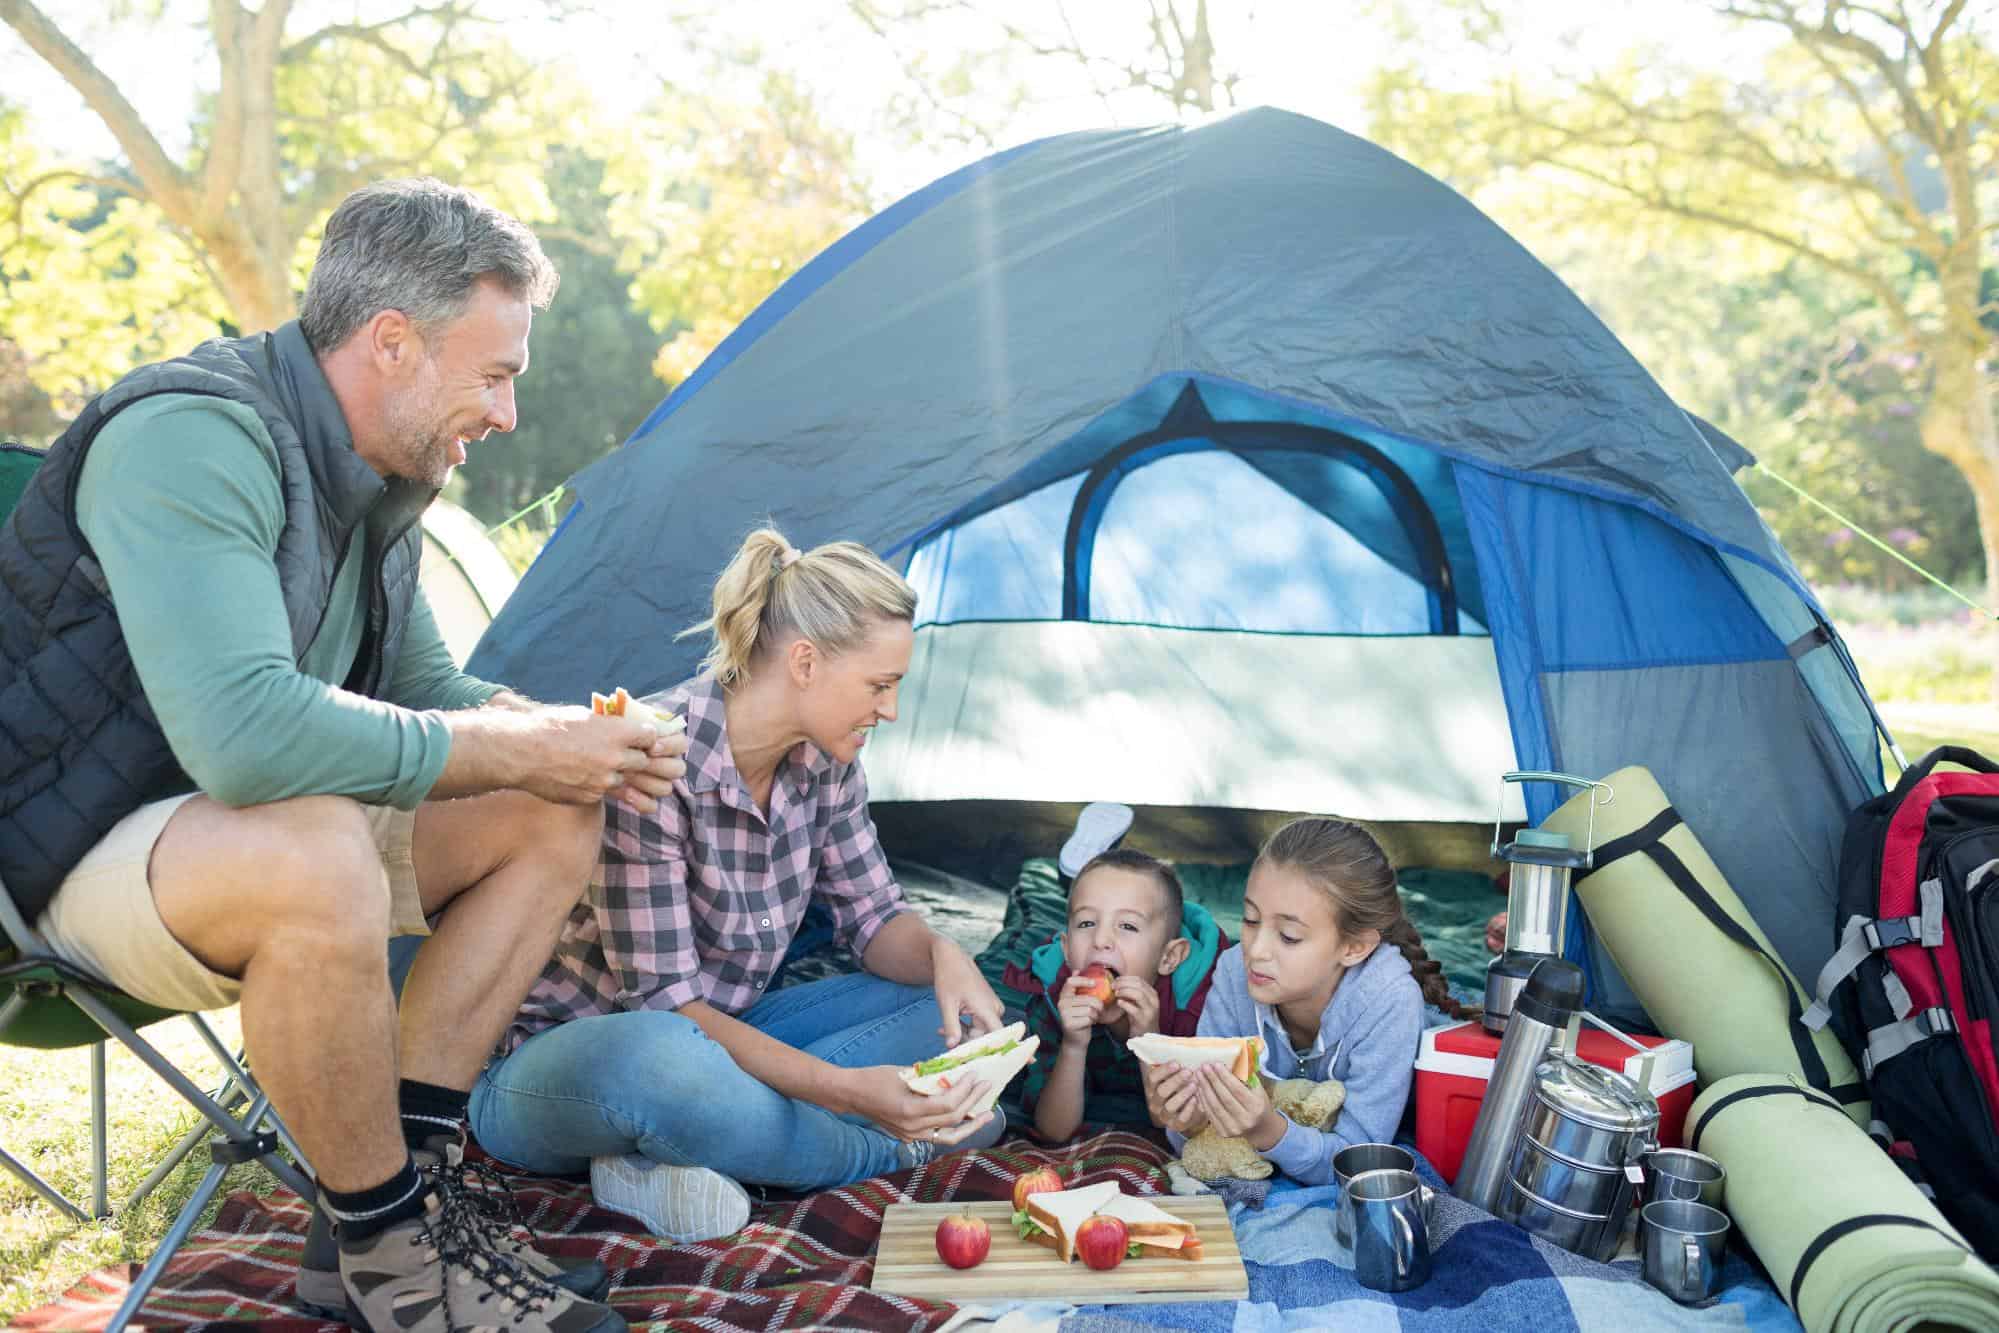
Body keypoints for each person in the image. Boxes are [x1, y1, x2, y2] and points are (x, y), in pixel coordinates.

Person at [0, 179, 687, 1333]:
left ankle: (399, 1217)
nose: (508, 412)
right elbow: (245, 737)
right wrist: (519, 739)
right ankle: (398, 1262)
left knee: (539, 808)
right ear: (390, 342)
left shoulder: (379, 484)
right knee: (317, 843)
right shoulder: (191, 436)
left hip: (222, 835)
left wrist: (569, 742)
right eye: (497, 371)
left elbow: (430, 697)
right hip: (55, 859)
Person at [469, 527, 1009, 1241]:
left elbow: (875, 918)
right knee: (663, 1065)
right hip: (577, 1064)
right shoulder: (655, 759)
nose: (890, 710)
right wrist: (851, 1091)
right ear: (806, 662)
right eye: (880, 685)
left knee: (943, 1013)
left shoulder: (827, 765)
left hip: (728, 1043)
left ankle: (690, 1155)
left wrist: (946, 955)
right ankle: (884, 1146)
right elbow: (671, 1008)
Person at [1143, 817, 1469, 1184]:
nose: (1256, 950)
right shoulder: (1234, 972)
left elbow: (1356, 1159)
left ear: (1354, 947)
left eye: (1289, 936)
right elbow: (1199, 1137)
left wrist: (1270, 1133)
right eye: (1250, 920)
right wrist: (1187, 1120)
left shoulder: (1390, 1003)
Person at [1005, 847, 1228, 1142]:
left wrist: (1150, 1041)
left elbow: (1178, 1125)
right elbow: (1054, 1132)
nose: (1101, 941)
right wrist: (1073, 1044)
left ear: (1168, 958)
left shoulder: (1200, 1008)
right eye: (1087, 923)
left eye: (1127, 926)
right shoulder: (1056, 995)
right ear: (1067, 949)